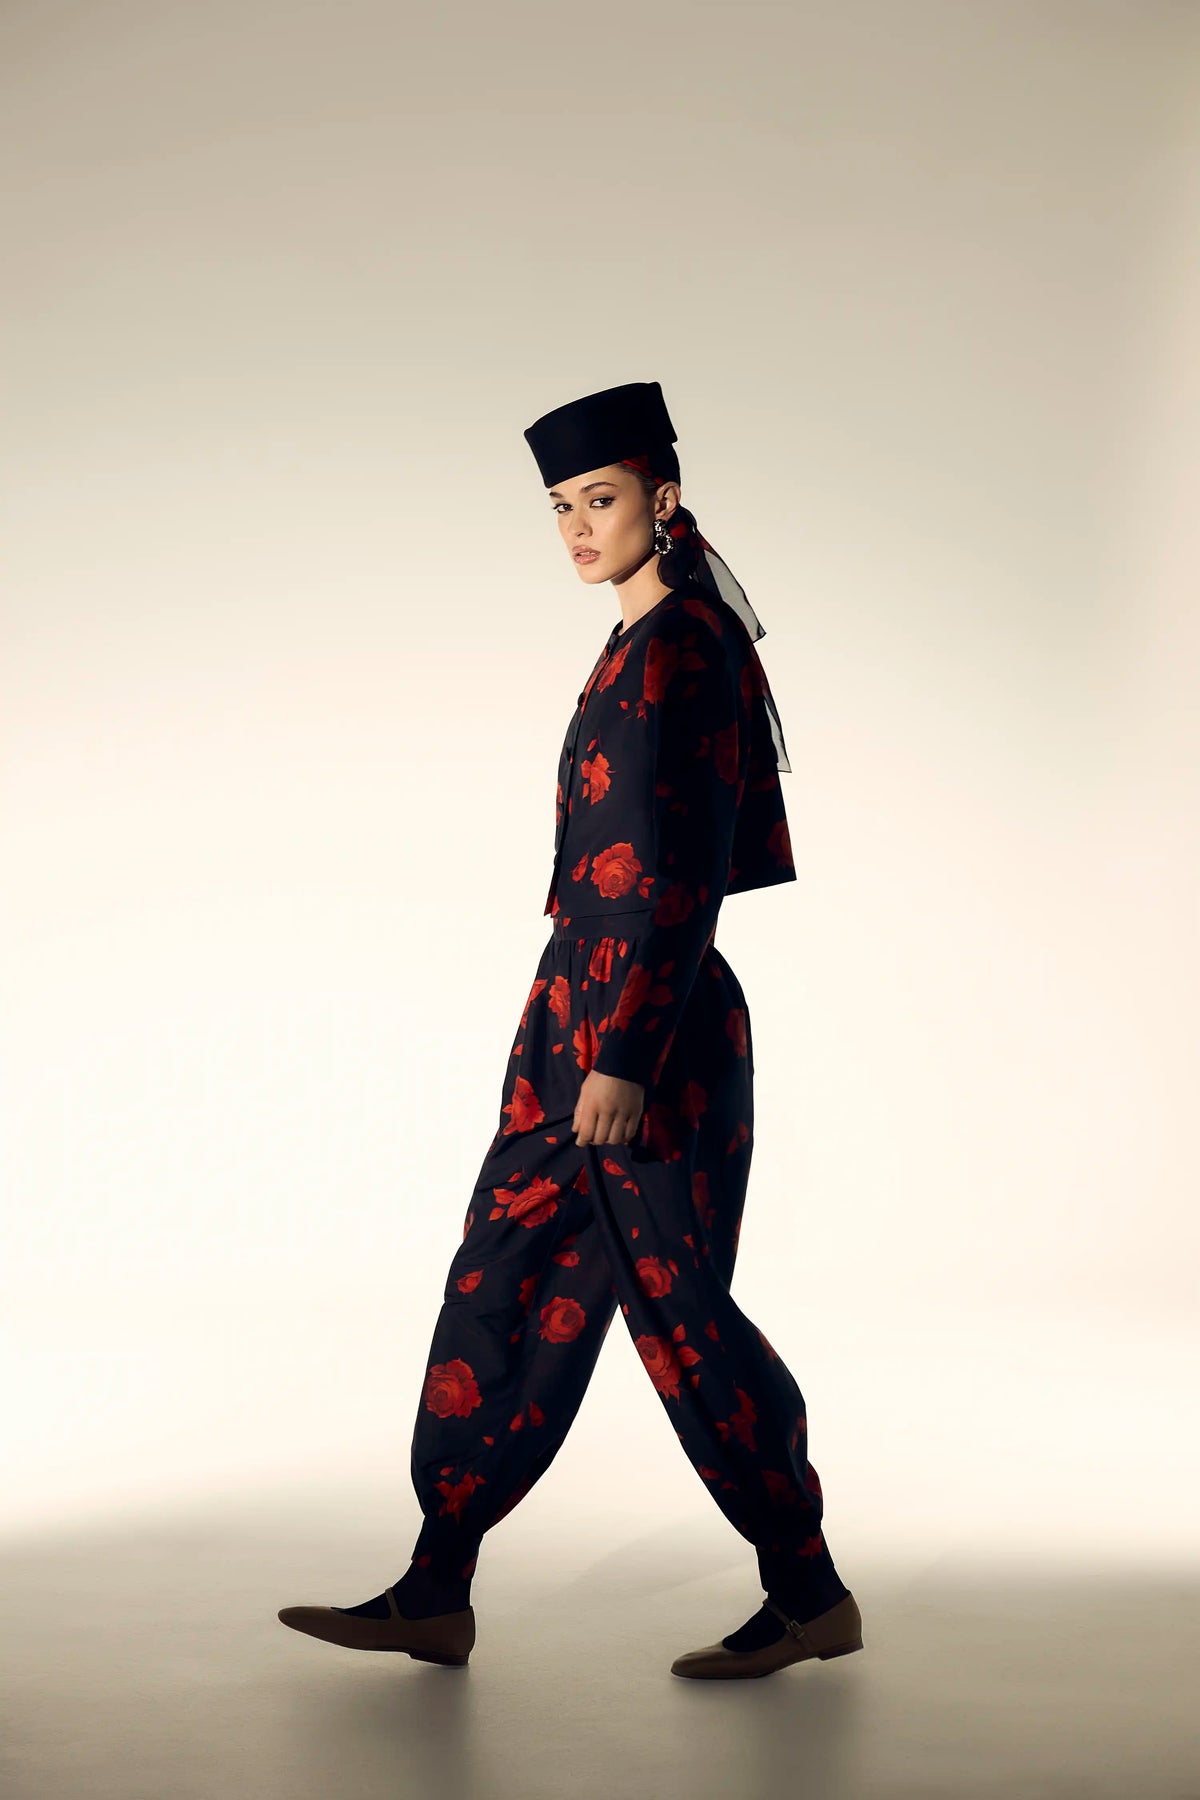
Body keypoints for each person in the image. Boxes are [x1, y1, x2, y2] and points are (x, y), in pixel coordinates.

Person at [278, 381, 862, 1680]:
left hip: (650, 1026)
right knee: (498, 1273)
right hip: (571, 1008)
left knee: (678, 1310)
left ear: (663, 497)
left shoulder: (689, 647)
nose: (578, 527)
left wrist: (627, 1053)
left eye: (600, 499)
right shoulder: (628, 642)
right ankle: (437, 1584)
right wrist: (579, 1028)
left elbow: (682, 868)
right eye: (559, 507)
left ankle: (809, 1590)